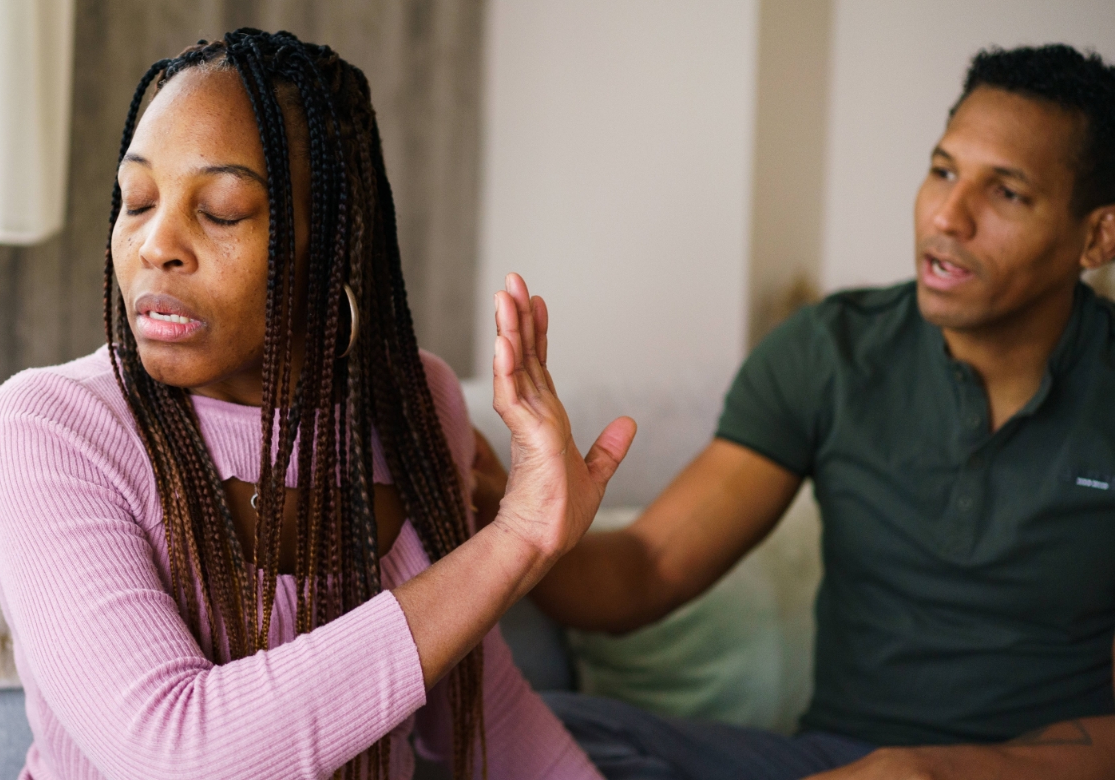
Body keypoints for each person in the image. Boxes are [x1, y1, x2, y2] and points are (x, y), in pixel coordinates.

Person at [0, 29, 636, 780]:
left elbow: (484, 718)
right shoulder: (50, 427)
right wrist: (515, 541)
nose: (157, 244)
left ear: (328, 244)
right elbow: (175, 754)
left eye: (220, 210)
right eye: (137, 200)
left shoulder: (416, 406)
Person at [474, 44, 1115, 779]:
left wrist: (935, 772)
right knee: (521, 732)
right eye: (943, 171)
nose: (948, 215)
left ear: (1096, 236)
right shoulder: (830, 352)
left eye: (1006, 193)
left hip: (1027, 772)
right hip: (832, 761)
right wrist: (509, 511)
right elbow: (646, 571)